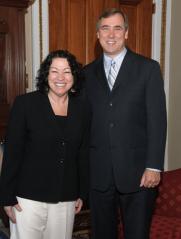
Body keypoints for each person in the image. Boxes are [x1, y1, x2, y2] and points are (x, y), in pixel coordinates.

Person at [84, 8, 167, 239]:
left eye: (117, 28)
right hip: (98, 175)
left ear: (127, 33)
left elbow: (158, 120)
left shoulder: (148, 68)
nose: (111, 34)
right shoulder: (86, 74)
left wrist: (154, 165)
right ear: (98, 34)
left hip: (139, 174)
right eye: (105, 28)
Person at [0, 50, 90, 239]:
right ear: (46, 75)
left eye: (67, 71)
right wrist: (6, 196)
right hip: (27, 198)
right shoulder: (25, 104)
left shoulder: (82, 109)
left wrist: (82, 192)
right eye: (54, 71)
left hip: (66, 197)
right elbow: (12, 153)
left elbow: (82, 152)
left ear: (74, 76)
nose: (60, 77)